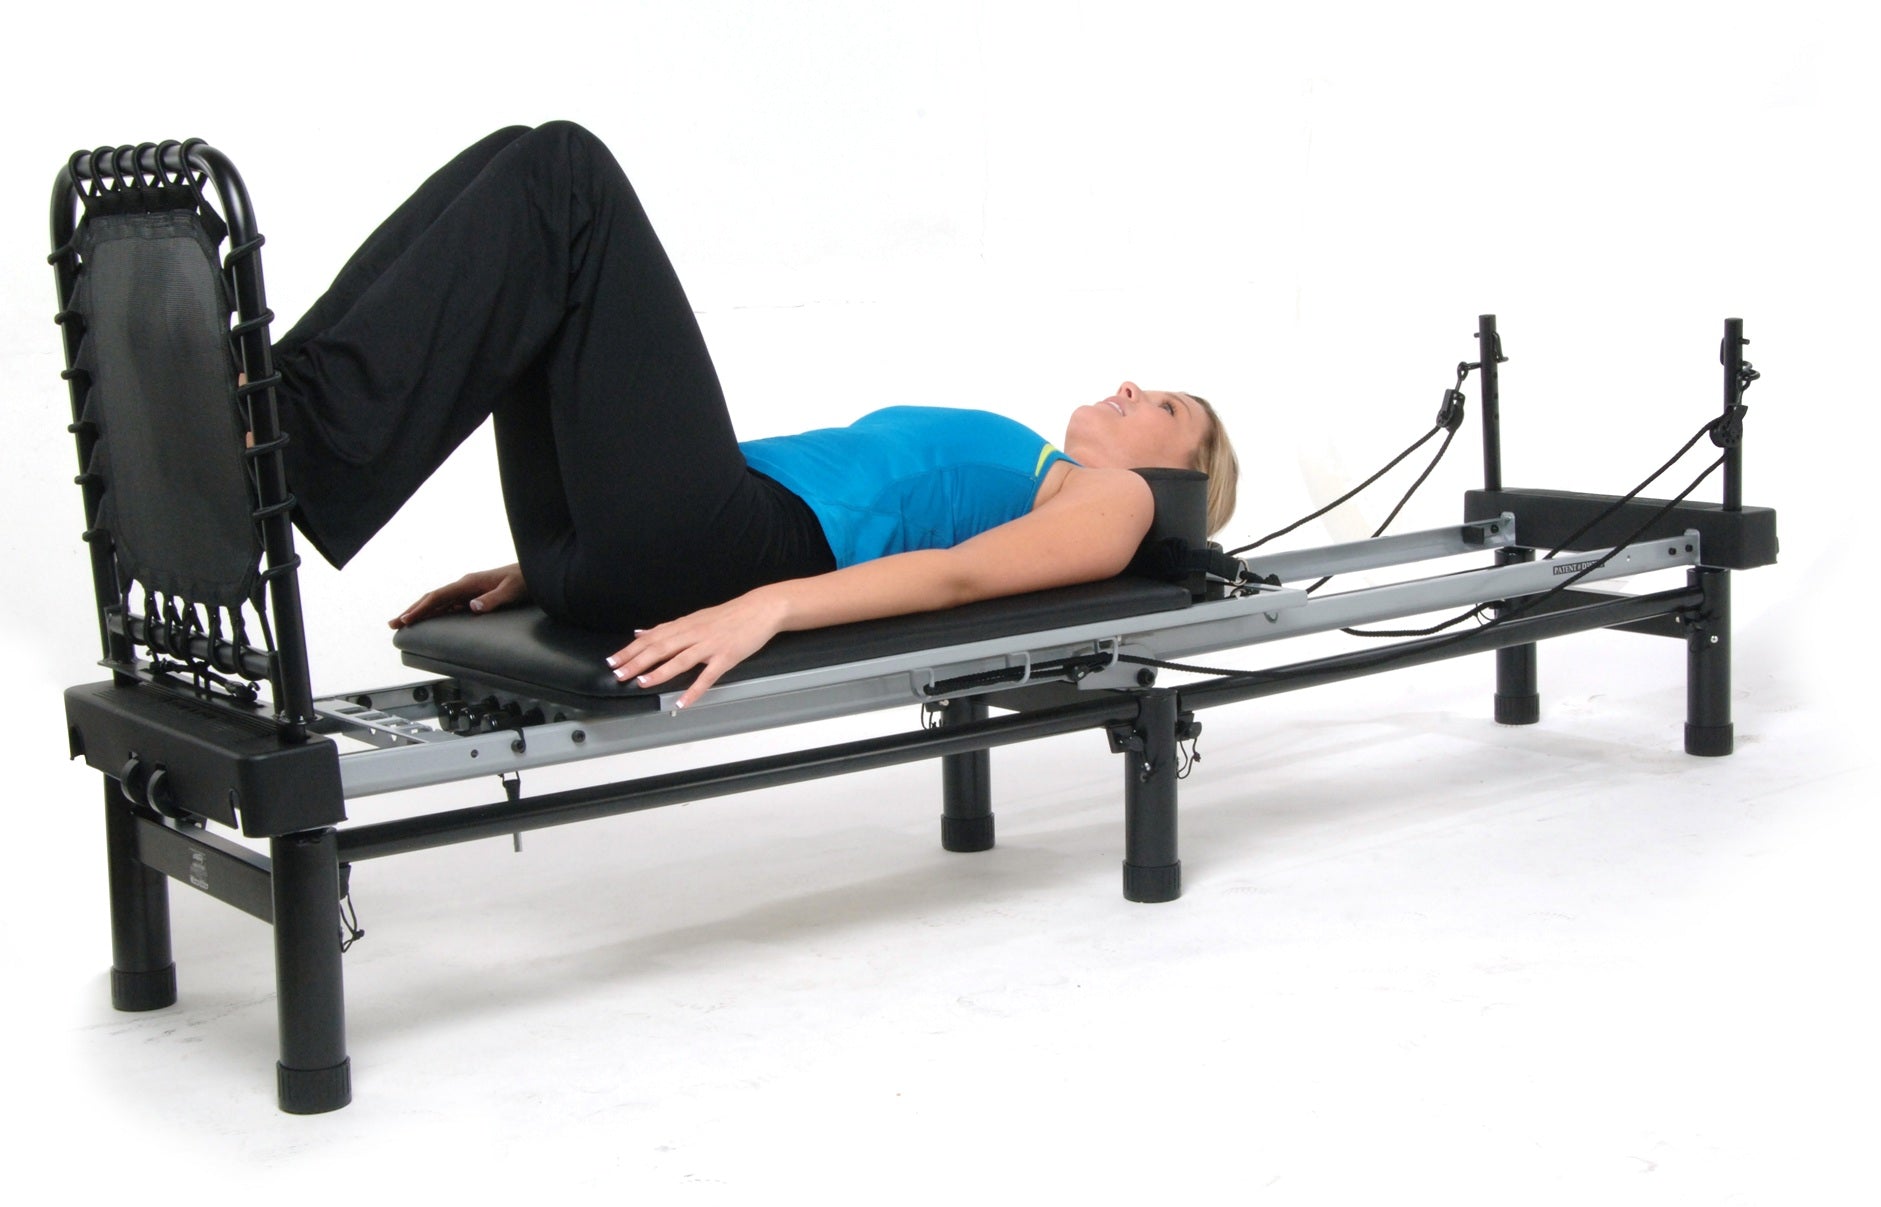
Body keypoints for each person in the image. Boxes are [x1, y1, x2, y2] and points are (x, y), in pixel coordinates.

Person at [271, 123, 1238, 708]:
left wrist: (766, 605)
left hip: (728, 550)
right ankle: (280, 413)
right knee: (522, 160)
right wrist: (551, 561)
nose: (1128, 386)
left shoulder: (1116, 497)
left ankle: (280, 433)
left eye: (1162, 404)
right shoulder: (1033, 462)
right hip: (633, 544)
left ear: (1181, 477)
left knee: (568, 172)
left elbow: (958, 577)